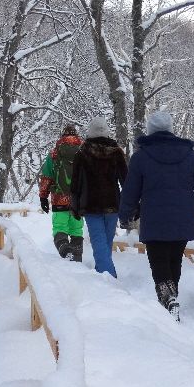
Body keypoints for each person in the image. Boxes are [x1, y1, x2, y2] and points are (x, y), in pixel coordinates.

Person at [118, 110, 194, 320]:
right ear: (170, 130)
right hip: (182, 219)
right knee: (174, 261)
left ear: (150, 132)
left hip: (154, 220)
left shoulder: (141, 157)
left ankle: (167, 298)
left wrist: (125, 216)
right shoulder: (190, 155)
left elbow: (130, 191)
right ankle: (172, 297)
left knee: (159, 262)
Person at [71, 117, 128, 277]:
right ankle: (105, 278)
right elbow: (126, 180)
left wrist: (74, 205)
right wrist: (129, 202)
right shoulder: (116, 153)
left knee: (100, 244)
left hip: (91, 205)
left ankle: (109, 280)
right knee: (105, 244)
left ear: (90, 132)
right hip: (112, 204)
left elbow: (75, 183)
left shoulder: (82, 153)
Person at [38, 124, 84, 262]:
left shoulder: (54, 153)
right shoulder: (83, 152)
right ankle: (76, 259)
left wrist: (43, 197)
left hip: (59, 198)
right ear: (76, 135)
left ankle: (65, 251)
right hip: (78, 199)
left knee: (59, 227)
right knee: (77, 229)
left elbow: (47, 176)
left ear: (62, 136)